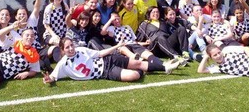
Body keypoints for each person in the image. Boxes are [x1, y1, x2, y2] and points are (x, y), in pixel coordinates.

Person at [42, 37, 177, 84]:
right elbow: (53, 77)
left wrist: (117, 46)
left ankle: (165, 67)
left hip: (108, 60)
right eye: (67, 47)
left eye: (72, 45)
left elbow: (100, 53)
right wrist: (49, 80)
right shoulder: (63, 64)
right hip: (104, 72)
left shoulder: (82, 50)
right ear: (62, 50)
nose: (71, 48)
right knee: (134, 75)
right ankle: (146, 68)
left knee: (137, 62)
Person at [101, 12, 179, 74]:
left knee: (149, 55)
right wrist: (110, 20)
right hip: (122, 46)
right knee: (123, 48)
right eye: (115, 20)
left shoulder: (127, 27)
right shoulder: (111, 28)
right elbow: (102, 32)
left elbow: (135, 41)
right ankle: (135, 58)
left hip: (133, 44)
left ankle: (165, 65)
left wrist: (145, 43)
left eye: (118, 19)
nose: (117, 21)